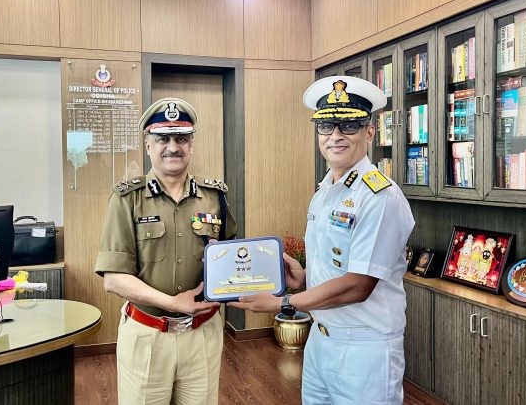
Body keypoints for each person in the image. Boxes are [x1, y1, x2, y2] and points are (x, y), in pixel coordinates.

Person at [229, 76, 415, 405]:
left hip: (363, 349)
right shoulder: (325, 192)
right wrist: (302, 279)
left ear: (370, 132)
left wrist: (282, 304)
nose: (336, 136)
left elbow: (358, 285)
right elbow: (336, 268)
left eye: (349, 126)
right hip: (320, 338)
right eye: (326, 126)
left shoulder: (379, 197)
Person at [94, 97, 237, 404]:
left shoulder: (215, 197)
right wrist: (172, 303)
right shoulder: (127, 199)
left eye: (181, 138)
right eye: (163, 139)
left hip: (203, 335)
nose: (173, 147)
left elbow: (232, 259)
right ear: (148, 145)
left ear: (191, 145)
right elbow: (114, 279)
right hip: (148, 336)